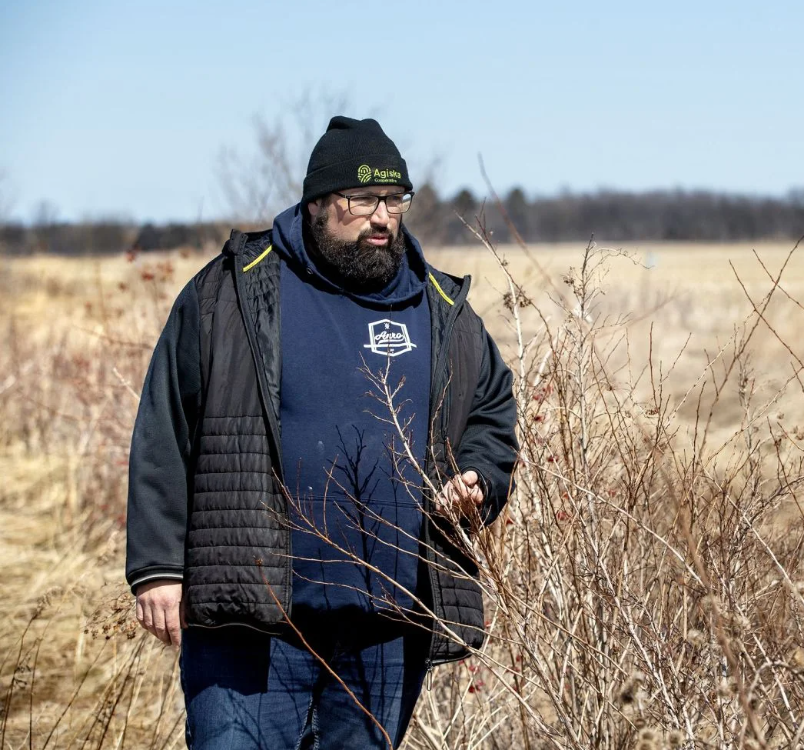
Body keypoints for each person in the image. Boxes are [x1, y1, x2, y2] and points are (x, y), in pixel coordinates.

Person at [125, 116, 518, 749]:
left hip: (384, 631)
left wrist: (476, 476)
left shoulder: (440, 309)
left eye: (394, 200)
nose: (382, 217)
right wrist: (156, 568)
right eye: (361, 200)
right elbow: (165, 426)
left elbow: (492, 409)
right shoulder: (233, 292)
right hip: (250, 626)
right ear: (315, 203)